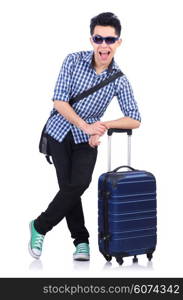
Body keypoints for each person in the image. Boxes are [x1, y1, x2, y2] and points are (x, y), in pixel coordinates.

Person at [29, 12, 141, 261]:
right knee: (69, 188)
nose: (104, 45)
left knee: (77, 185)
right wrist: (85, 125)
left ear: (118, 42)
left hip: (87, 139)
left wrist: (101, 125)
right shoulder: (73, 61)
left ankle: (39, 226)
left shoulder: (118, 80)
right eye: (98, 38)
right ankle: (81, 242)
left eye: (110, 40)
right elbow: (59, 101)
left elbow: (134, 118)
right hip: (59, 131)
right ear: (91, 40)